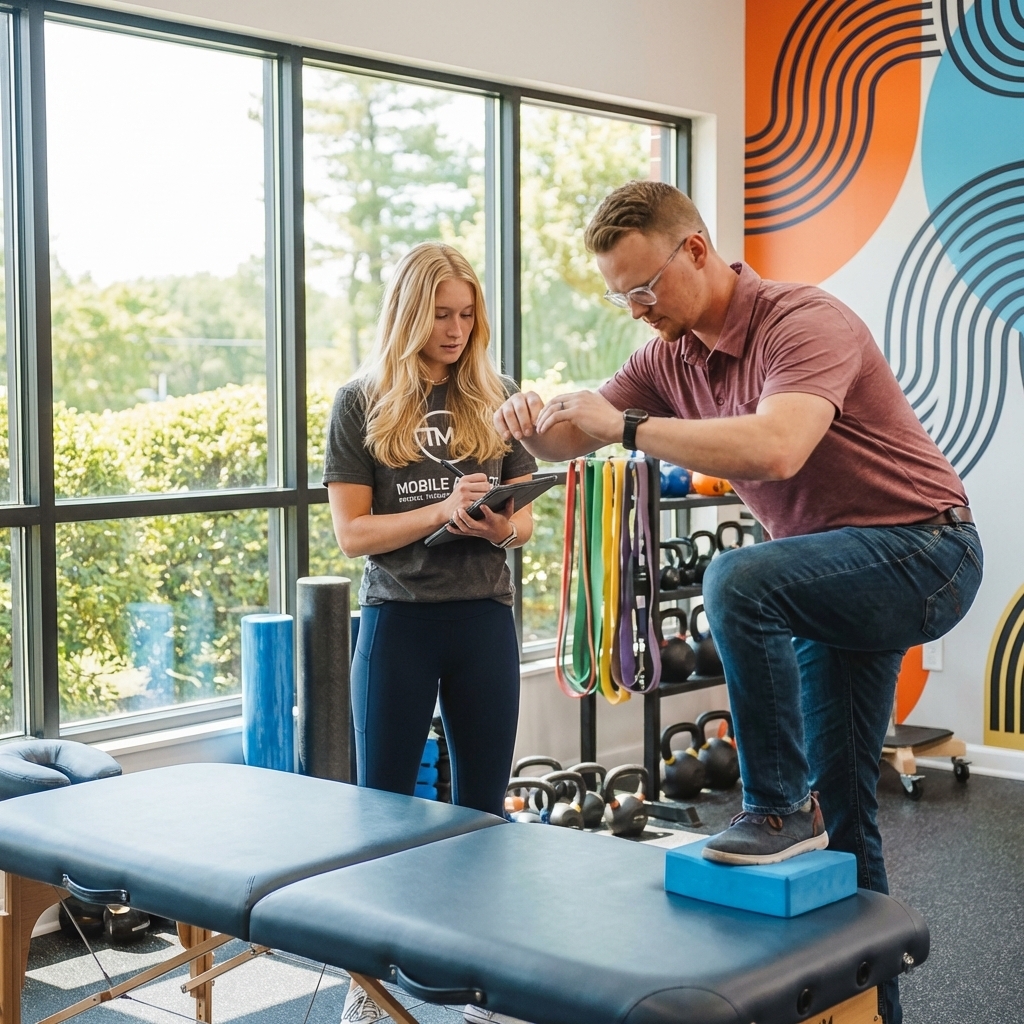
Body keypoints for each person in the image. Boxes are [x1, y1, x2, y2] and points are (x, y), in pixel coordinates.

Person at [493, 180, 982, 1024]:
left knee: (735, 577)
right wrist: (531, 420)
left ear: (695, 249)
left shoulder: (801, 320)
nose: (637, 308)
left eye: (646, 287)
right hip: (830, 575)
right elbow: (583, 427)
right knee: (847, 821)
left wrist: (630, 430)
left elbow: (778, 447)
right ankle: (872, 1011)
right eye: (620, 296)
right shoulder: (670, 356)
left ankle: (773, 808)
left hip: (925, 551)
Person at [324, 241, 537, 1024]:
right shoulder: (361, 401)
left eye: (467, 312)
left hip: (483, 618)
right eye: (442, 313)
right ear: (411, 312)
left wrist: (495, 525)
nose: (456, 328)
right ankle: (370, 985)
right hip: (398, 625)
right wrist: (441, 511)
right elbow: (353, 535)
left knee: (483, 811)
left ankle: (482, 980)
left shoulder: (497, 394)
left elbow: (527, 524)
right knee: (383, 813)